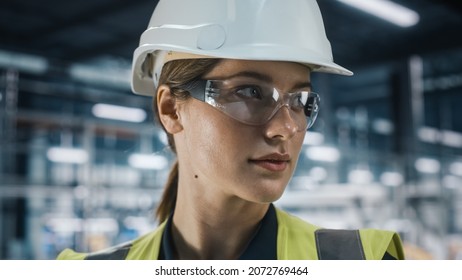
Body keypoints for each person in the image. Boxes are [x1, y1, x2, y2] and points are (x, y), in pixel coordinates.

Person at [57, 0, 405, 260]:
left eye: (299, 99)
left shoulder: (364, 261)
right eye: (250, 92)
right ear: (171, 109)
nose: (285, 127)